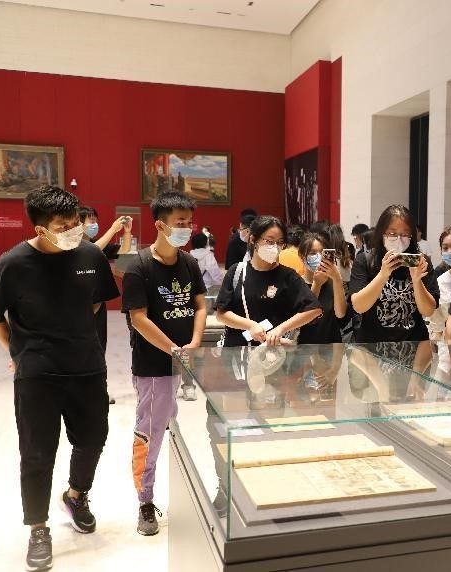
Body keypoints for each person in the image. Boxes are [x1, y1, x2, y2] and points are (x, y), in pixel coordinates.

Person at [0, 184, 120, 571]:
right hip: (38, 375)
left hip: (87, 367)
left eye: (76, 222)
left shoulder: (90, 255)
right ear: (40, 228)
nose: (74, 230)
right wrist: (20, 352)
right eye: (63, 225)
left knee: (93, 439)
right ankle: (38, 528)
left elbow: (96, 301)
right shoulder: (12, 264)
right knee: (38, 453)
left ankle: (76, 495)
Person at [122, 191, 208, 536]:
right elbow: (138, 318)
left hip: (183, 361)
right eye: (180, 222)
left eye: (189, 222)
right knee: (150, 430)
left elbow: (200, 305)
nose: (187, 228)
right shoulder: (139, 267)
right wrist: (173, 349)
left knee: (171, 426)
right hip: (154, 365)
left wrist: (196, 341)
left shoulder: (189, 263)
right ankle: (145, 500)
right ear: (160, 225)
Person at [215, 216, 322, 347]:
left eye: (280, 242)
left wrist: (281, 329)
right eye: (269, 241)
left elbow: (314, 309)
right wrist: (251, 325)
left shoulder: (288, 276)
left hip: (273, 353)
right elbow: (221, 313)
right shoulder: (236, 271)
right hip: (237, 352)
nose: (275, 247)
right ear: (253, 239)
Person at [350, 204, 439, 343]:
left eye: (405, 234)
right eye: (392, 234)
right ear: (381, 234)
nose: (399, 239)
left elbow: (428, 310)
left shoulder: (421, 261)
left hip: (413, 344)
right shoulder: (366, 260)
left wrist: (417, 281)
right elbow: (358, 306)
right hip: (372, 345)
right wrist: (382, 275)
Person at [79, 205, 133, 405]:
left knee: (99, 348)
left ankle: (99, 390)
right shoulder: (73, 246)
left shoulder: (97, 244)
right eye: (90, 220)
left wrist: (126, 233)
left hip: (98, 305)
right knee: (78, 349)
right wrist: (112, 229)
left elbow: (124, 253)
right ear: (78, 223)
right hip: (76, 307)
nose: (94, 224)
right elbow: (91, 251)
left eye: (95, 220)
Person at [298, 232, 348, 343]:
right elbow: (303, 320)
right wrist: (317, 285)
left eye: (322, 252)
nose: (318, 257)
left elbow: (340, 314)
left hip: (332, 345)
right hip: (306, 347)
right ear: (302, 257)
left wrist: (337, 278)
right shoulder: (297, 283)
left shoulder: (333, 282)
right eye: (312, 253)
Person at [426, 226, 451, 341]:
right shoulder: (439, 283)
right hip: (448, 343)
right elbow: (437, 328)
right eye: (445, 248)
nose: (450, 252)